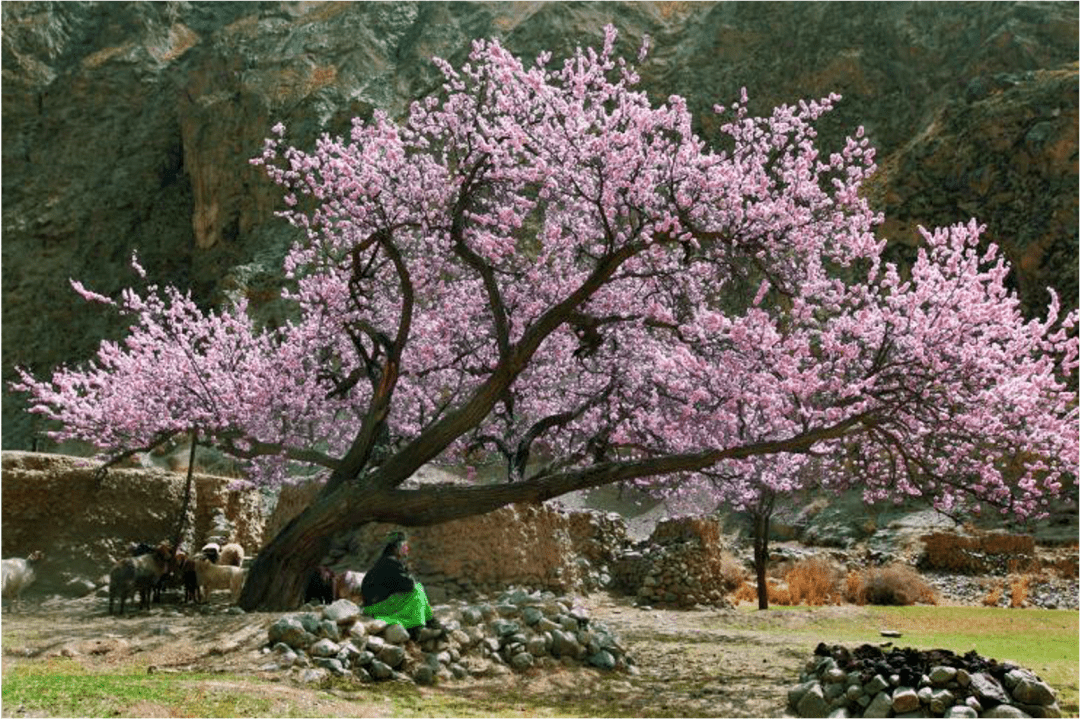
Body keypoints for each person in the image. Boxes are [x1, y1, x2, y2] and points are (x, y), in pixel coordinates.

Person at [360, 531, 438, 635]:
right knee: (416, 590)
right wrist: (408, 573)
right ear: (397, 547)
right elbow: (408, 585)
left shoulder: (386, 561)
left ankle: (427, 621)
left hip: (375, 603)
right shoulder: (391, 563)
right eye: (405, 546)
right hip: (376, 607)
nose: (407, 549)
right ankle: (417, 625)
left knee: (416, 588)